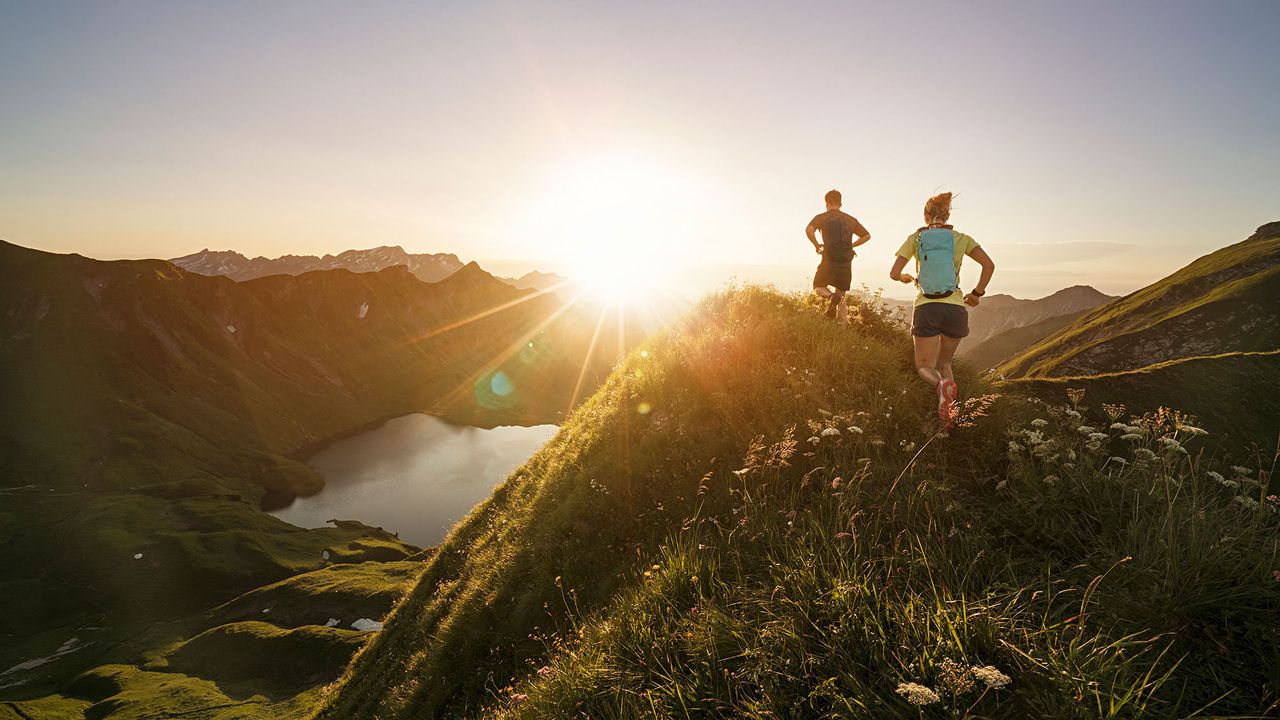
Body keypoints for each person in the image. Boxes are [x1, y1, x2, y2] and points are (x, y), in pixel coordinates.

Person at [888, 192, 995, 426]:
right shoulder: (961, 238)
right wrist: (976, 294)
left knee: (924, 366)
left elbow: (894, 273)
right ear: (947, 215)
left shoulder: (915, 239)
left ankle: (940, 386)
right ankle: (950, 418)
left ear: (925, 215)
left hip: (927, 307)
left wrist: (906, 278)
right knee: (944, 363)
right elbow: (989, 265)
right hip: (955, 308)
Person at [806, 189, 871, 320]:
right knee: (841, 296)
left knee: (818, 286)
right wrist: (851, 245)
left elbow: (809, 229)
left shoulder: (822, 217)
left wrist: (816, 244)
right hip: (846, 261)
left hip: (829, 259)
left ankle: (830, 297)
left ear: (826, 203)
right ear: (840, 203)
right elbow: (867, 236)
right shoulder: (851, 219)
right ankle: (842, 329)